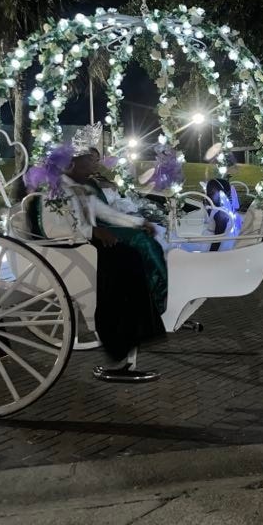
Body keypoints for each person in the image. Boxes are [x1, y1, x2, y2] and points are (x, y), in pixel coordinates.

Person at [57, 150, 168, 381]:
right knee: (126, 265)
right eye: (90, 160)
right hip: (74, 248)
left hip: (87, 244)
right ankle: (121, 344)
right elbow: (56, 226)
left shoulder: (83, 188)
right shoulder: (57, 189)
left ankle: (134, 334)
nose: (95, 165)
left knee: (131, 259)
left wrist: (139, 222)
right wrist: (93, 231)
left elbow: (105, 212)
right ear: (73, 162)